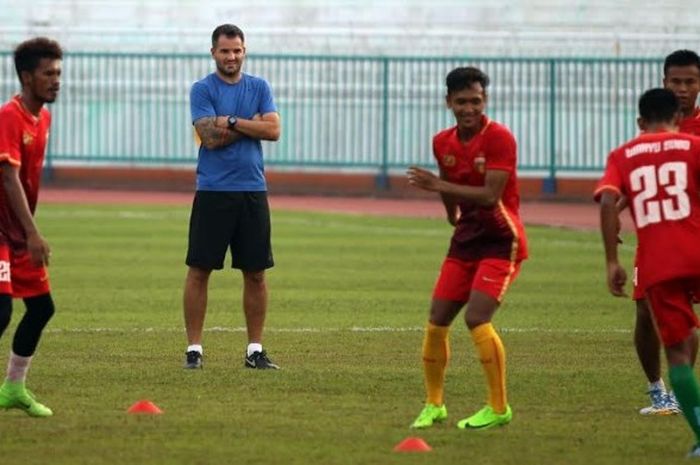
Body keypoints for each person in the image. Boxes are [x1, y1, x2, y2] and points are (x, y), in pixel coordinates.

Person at [406, 66, 528, 430]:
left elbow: (491, 196)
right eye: (462, 102)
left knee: (477, 317)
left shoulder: (499, 138)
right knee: (436, 322)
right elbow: (447, 180)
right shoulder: (442, 141)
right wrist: (451, 214)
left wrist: (438, 189)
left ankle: (498, 407)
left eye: (476, 101)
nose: (469, 108)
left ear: (484, 100)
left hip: (500, 239)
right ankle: (434, 404)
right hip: (466, 239)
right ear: (448, 102)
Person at [596, 88, 700, 458]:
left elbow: (608, 200)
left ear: (640, 122)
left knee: (678, 356)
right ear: (677, 119)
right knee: (689, 339)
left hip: (660, 264)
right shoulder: (692, 146)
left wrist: (612, 261)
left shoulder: (623, 154)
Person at [183, 24, 281, 370]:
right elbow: (208, 137)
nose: (232, 56)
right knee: (199, 269)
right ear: (213, 53)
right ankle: (194, 349)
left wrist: (232, 121)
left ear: (244, 51)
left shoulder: (260, 86)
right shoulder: (202, 89)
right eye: (225, 50)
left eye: (237, 50)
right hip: (212, 191)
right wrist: (249, 124)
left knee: (256, 273)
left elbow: (273, 130)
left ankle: (254, 350)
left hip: (252, 191)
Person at [630, 49, 700, 415]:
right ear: (664, 82)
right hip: (655, 240)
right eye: (676, 81)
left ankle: (688, 390)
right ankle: (659, 390)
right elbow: (635, 175)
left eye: (690, 81)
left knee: (686, 319)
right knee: (645, 310)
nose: (683, 88)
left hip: (694, 240)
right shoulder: (654, 122)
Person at [0, 37, 62, 417]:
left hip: (17, 234)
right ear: (27, 77)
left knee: (40, 308)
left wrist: (27, 234)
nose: (56, 80)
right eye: (48, 74)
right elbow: (8, 177)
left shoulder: (44, 117)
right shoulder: (9, 115)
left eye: (58, 73)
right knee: (1, 313)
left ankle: (13, 389)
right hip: (3, 234)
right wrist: (33, 233)